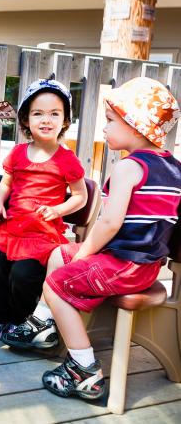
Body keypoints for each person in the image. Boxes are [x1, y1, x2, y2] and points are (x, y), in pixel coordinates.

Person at [36, 77, 181, 401]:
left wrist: (85, 252)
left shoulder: (131, 167)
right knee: (60, 254)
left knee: (55, 284)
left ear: (136, 125)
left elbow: (110, 222)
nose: (104, 129)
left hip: (122, 264)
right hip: (145, 266)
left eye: (111, 121)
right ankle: (43, 324)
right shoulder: (175, 169)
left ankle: (84, 370)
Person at [0, 79, 87, 344]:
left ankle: (21, 319)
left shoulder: (66, 159)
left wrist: (59, 208)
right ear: (25, 120)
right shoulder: (17, 153)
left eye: (54, 113)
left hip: (40, 233)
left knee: (24, 274)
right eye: (38, 113)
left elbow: (81, 196)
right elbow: (6, 182)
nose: (46, 120)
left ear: (65, 121)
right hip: (11, 226)